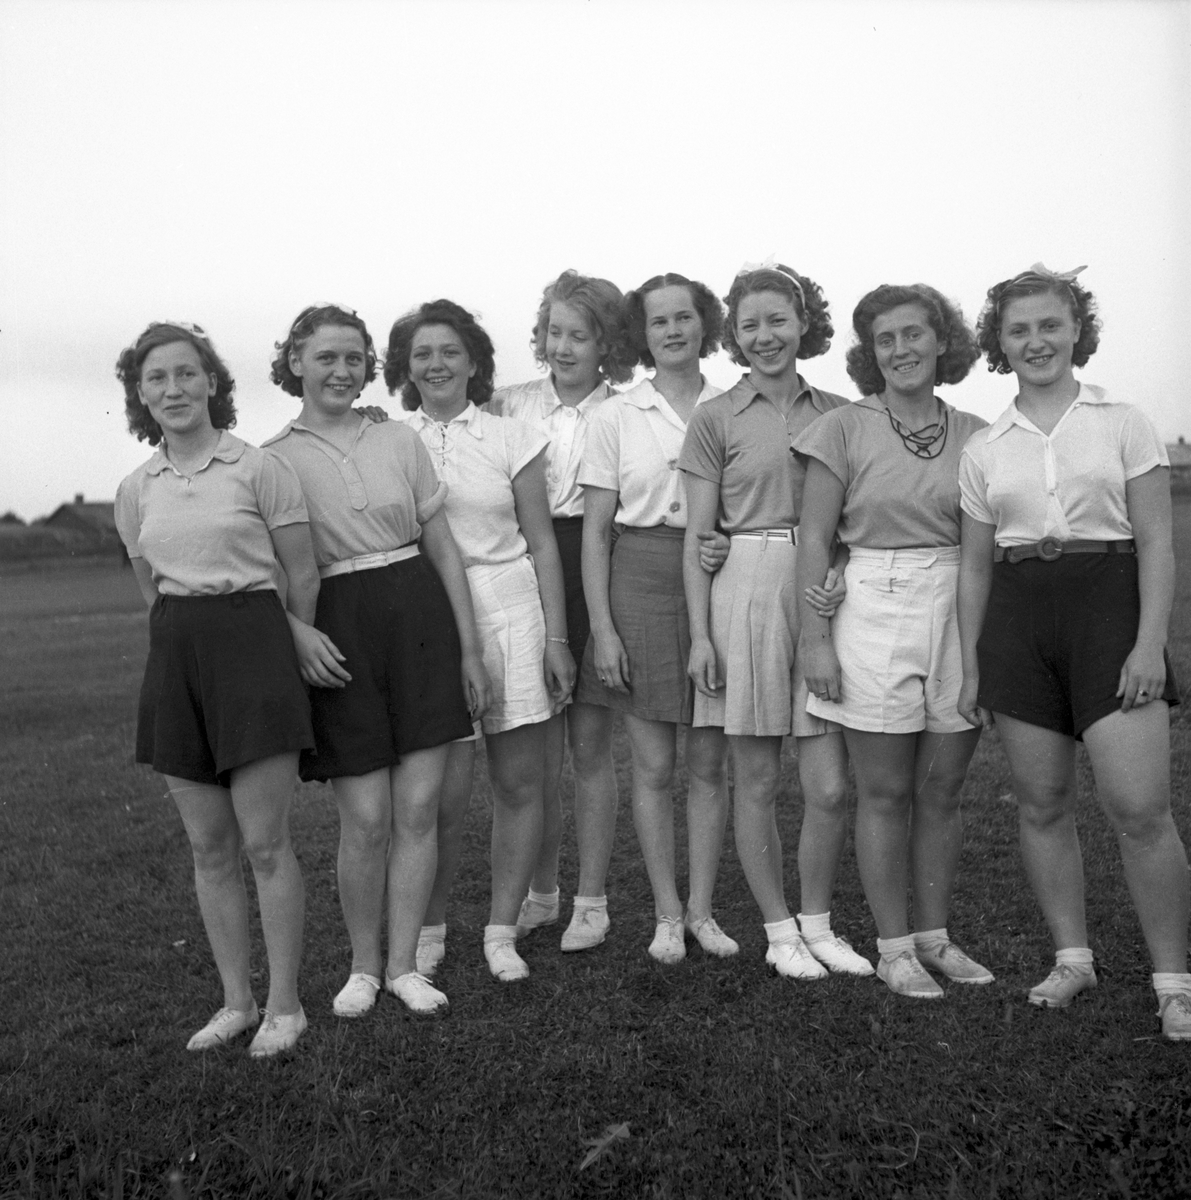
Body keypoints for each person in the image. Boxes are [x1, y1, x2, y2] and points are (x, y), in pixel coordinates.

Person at [957, 264, 1190, 1039]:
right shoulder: (984, 446)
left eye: (1049, 325)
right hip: (1019, 622)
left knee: (1140, 810)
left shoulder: (1122, 422)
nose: (1035, 341)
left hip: (1107, 609)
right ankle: (1071, 959)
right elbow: (974, 567)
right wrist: (971, 666)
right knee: (1041, 804)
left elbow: (1157, 543)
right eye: (1017, 329)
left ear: (1075, 330)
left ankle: (1173, 983)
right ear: (998, 341)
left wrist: (1148, 644)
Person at [264, 304, 489, 1019]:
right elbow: (268, 573)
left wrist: (469, 647)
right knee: (365, 817)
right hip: (336, 627)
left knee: (419, 808)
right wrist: (298, 636)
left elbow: (442, 546)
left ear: (369, 366)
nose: (341, 371)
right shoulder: (270, 458)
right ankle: (363, 968)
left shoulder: (398, 438)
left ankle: (403, 966)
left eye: (354, 359)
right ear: (295, 361)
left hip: (417, 614)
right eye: (326, 357)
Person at [114, 321, 325, 1057]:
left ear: (210, 381)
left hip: (255, 655)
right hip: (177, 660)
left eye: (185, 373)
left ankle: (285, 1007)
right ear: (141, 394)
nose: (172, 389)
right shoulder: (135, 490)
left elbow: (302, 574)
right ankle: (237, 1002)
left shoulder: (259, 468)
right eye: (156, 378)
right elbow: (152, 588)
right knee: (209, 849)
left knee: (265, 843)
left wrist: (282, 642)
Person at [796, 284, 992, 1000]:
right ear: (869, 353)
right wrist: (815, 641)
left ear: (942, 341)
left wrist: (978, 651)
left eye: (914, 334)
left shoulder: (976, 434)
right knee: (883, 791)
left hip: (957, 603)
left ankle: (935, 938)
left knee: (941, 788)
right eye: (885, 339)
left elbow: (982, 548)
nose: (901, 350)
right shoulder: (842, 428)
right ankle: (894, 948)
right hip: (872, 605)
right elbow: (814, 540)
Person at [680, 262, 869, 979]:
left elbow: (855, 516)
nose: (765, 336)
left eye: (777, 320)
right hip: (746, 589)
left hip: (822, 594)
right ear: (733, 334)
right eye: (749, 325)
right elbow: (699, 537)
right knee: (755, 779)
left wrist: (841, 571)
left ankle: (817, 924)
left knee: (828, 786)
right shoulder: (714, 418)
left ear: (803, 323)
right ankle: (778, 931)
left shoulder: (841, 412)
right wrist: (701, 635)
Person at [384, 299, 575, 982]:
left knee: (519, 783)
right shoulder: (391, 440)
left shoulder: (511, 437)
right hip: (429, 616)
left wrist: (556, 638)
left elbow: (542, 543)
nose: (436, 365)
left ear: (473, 361)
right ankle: (429, 929)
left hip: (510, 607)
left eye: (450, 352)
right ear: (406, 368)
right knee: (439, 796)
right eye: (422, 354)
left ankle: (501, 931)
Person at [576, 272, 736, 962]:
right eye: (658, 321)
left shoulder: (733, 405)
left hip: (716, 576)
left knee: (708, 761)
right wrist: (603, 630)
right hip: (637, 579)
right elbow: (594, 533)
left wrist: (726, 539)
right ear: (641, 335)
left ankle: (702, 910)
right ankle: (666, 914)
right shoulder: (615, 416)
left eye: (683, 317)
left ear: (705, 324)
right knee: (652, 763)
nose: (672, 330)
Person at [490, 270, 635, 952]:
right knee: (537, 753)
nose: (563, 347)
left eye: (580, 334)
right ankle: (541, 894)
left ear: (607, 344)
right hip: (525, 563)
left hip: (597, 564)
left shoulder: (626, 412)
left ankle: (591, 901)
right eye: (554, 332)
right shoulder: (506, 404)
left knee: (591, 748)